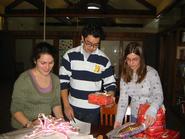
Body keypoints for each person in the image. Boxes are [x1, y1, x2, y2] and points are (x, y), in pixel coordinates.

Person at [59, 24, 116, 127]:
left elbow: (110, 84)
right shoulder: (70, 55)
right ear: (82, 38)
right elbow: (63, 83)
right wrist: (66, 106)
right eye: (89, 43)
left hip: (93, 110)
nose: (92, 48)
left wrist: (110, 97)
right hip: (72, 107)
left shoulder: (103, 59)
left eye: (96, 45)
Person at [11, 42, 64, 129]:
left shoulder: (55, 80)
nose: (47, 67)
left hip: (44, 125)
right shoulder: (24, 79)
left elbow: (56, 104)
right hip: (23, 126)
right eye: (43, 63)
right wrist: (30, 124)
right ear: (35, 60)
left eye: (51, 63)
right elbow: (16, 110)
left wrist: (61, 122)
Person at [114, 42, 164, 128]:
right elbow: (123, 100)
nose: (131, 63)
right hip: (135, 116)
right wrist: (118, 120)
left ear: (141, 58)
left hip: (152, 115)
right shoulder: (124, 75)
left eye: (135, 59)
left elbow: (158, 95)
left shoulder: (151, 73)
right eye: (128, 59)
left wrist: (152, 110)